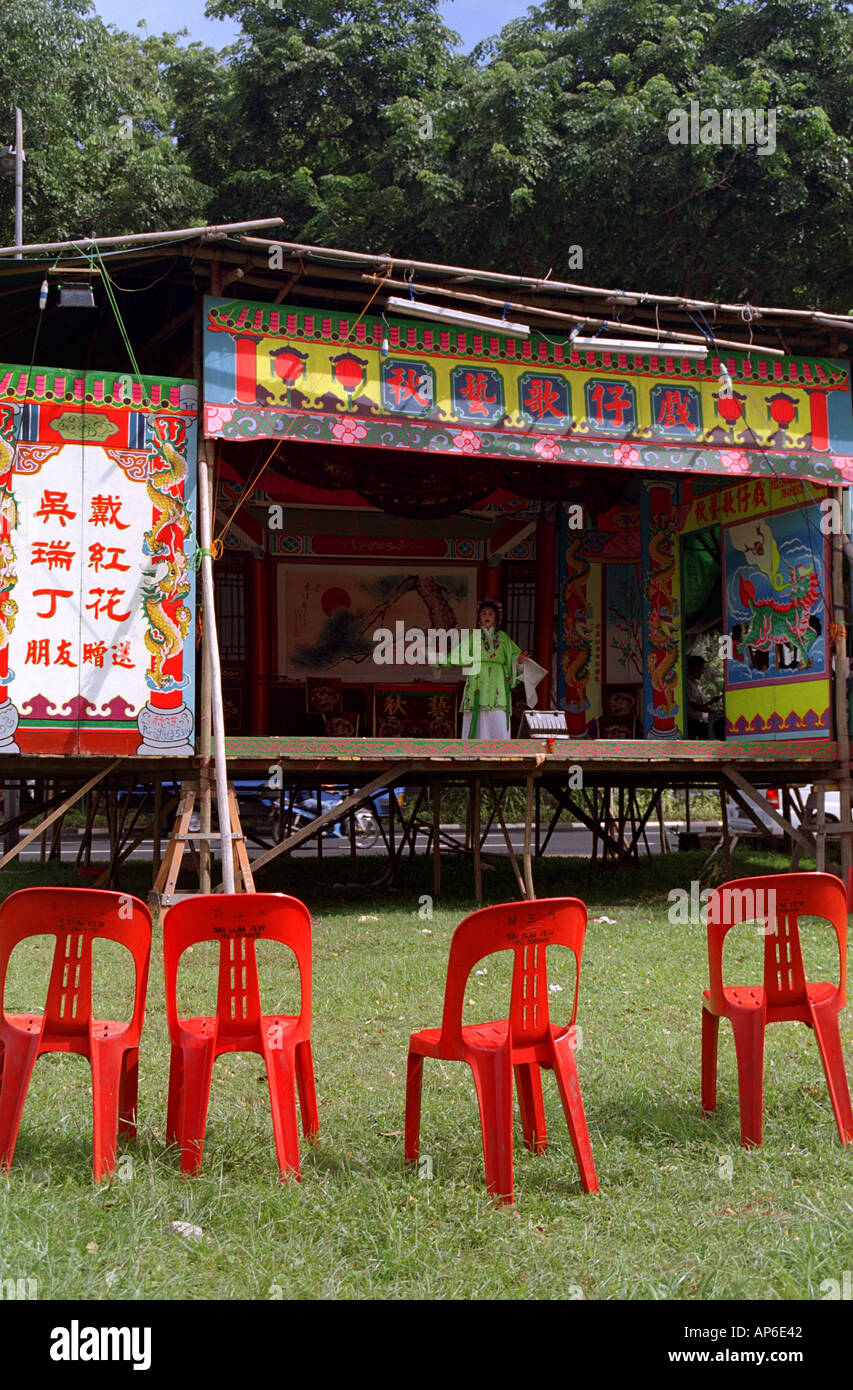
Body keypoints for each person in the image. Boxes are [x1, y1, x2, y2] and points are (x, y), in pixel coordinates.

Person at [441, 597, 529, 739]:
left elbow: (514, 657)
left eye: (490, 614)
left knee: (498, 717)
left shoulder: (503, 638)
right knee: (479, 716)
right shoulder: (473, 637)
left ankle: (498, 756)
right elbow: (457, 655)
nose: (487, 616)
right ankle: (473, 755)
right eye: (484, 613)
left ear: (496, 618)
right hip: (478, 682)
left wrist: (519, 661)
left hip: (498, 684)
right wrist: (439, 660)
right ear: (479, 618)